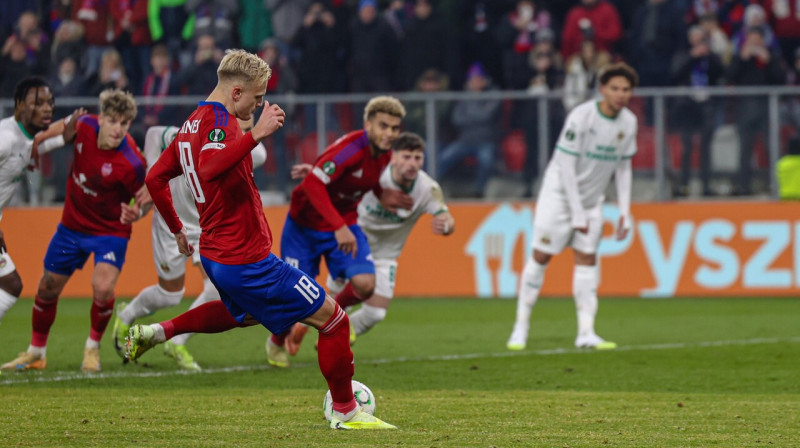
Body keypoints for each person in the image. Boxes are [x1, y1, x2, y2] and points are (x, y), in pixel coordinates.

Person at [137, 49, 396, 430]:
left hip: (217, 253)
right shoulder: (219, 123)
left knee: (240, 315)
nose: (260, 105)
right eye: (257, 98)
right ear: (236, 91)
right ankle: (345, 411)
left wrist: (177, 228)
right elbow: (209, 169)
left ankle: (163, 331)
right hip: (245, 259)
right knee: (335, 321)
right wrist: (256, 134)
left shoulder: (192, 124)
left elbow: (155, 177)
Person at [1, 88, 149, 373]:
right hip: (72, 226)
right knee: (47, 287)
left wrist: (137, 213)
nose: (118, 129)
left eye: (125, 123)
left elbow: (148, 198)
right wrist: (35, 144)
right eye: (114, 121)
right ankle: (36, 353)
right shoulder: (84, 124)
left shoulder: (132, 161)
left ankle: (92, 349)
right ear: (102, 118)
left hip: (110, 231)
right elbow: (57, 129)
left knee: (103, 287)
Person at [111, 119, 267, 371]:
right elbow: (153, 134)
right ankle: (126, 316)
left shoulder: (254, 151)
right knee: (170, 295)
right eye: (241, 120)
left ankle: (177, 341)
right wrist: (153, 179)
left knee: (218, 287)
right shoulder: (187, 134)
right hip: (170, 222)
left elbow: (250, 158)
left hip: (207, 223)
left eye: (249, 125)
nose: (244, 126)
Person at [507, 62, 639, 351]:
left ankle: (586, 332)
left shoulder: (629, 122)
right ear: (603, 89)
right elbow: (565, 164)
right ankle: (520, 327)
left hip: (592, 202)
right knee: (541, 256)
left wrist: (625, 211)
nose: (621, 94)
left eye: (626, 89)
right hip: (559, 198)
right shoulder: (582, 116)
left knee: (587, 260)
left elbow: (624, 167)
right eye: (615, 88)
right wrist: (576, 211)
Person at [286, 132, 455, 347]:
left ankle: (337, 330)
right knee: (329, 303)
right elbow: (340, 182)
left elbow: (447, 217)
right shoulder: (377, 175)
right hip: (353, 247)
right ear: (393, 157)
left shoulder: (428, 189)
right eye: (406, 157)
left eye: (417, 158)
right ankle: (317, 333)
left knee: (375, 314)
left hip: (386, 256)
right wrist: (314, 172)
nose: (412, 163)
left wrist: (446, 225)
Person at [276, 95, 411, 361]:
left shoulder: (384, 154)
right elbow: (314, 184)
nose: (390, 133)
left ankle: (318, 319)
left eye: (395, 128)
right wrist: (338, 226)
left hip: (343, 221)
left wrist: (382, 194)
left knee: (365, 284)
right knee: (292, 297)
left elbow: (362, 177)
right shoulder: (351, 148)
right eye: (383, 126)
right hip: (305, 225)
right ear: (368, 124)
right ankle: (277, 339)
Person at [0, 77, 76, 324]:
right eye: (38, 102)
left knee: (11, 285)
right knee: (11, 285)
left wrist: (69, 131)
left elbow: (47, 143)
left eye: (50, 103)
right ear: (20, 104)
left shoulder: (25, 140)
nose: (47, 108)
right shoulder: (6, 138)